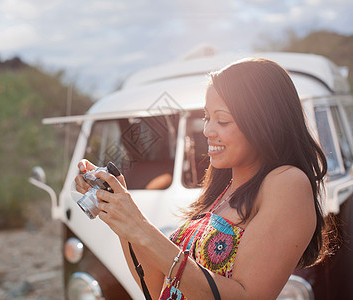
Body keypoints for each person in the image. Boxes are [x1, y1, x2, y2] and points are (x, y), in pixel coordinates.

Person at [75, 58, 328, 299]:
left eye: (223, 120)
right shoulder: (221, 192)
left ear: (264, 121)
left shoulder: (287, 183)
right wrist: (121, 214)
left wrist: (140, 226)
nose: (207, 130)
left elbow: (247, 297)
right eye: (207, 117)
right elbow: (159, 290)